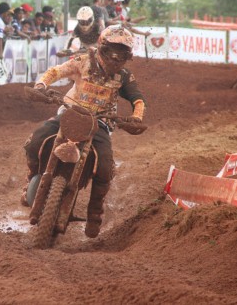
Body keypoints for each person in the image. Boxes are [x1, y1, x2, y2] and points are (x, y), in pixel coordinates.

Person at [22, 26, 146, 238]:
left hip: (101, 123)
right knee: (36, 141)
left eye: (121, 52)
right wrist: (41, 85)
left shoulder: (124, 76)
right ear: (102, 47)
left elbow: (138, 99)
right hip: (70, 112)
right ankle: (32, 179)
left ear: (127, 56)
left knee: (105, 166)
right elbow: (56, 71)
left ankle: (95, 213)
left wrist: (136, 118)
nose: (115, 57)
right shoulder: (83, 61)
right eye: (112, 50)